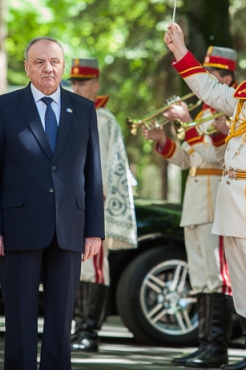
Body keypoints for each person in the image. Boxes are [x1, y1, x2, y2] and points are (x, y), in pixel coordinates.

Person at [163, 26, 246, 368]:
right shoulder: (242, 97)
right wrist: (180, 49)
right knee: (245, 298)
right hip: (233, 208)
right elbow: (207, 87)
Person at [0, 37, 105, 370]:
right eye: (39, 62)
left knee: (62, 320)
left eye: (54, 61)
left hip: (69, 229)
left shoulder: (83, 109)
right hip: (18, 228)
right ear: (26, 67)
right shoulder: (4, 107)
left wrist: (95, 230)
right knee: (19, 317)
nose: (48, 68)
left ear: (63, 66)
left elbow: (93, 174)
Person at [143, 46, 236, 368]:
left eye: (213, 73)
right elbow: (186, 160)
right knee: (199, 277)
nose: (207, 78)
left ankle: (217, 348)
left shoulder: (228, 111)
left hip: (216, 203)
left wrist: (187, 122)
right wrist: (162, 139)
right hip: (196, 203)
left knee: (216, 277)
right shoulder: (203, 115)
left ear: (227, 77)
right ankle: (205, 344)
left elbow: (214, 158)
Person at [68, 57, 138, 353]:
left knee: (94, 267)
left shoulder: (103, 119)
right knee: (75, 268)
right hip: (71, 202)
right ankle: (77, 327)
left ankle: (90, 331)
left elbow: (108, 166)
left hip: (94, 203)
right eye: (73, 82)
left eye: (82, 82)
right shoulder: (69, 113)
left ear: (95, 85)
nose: (76, 87)